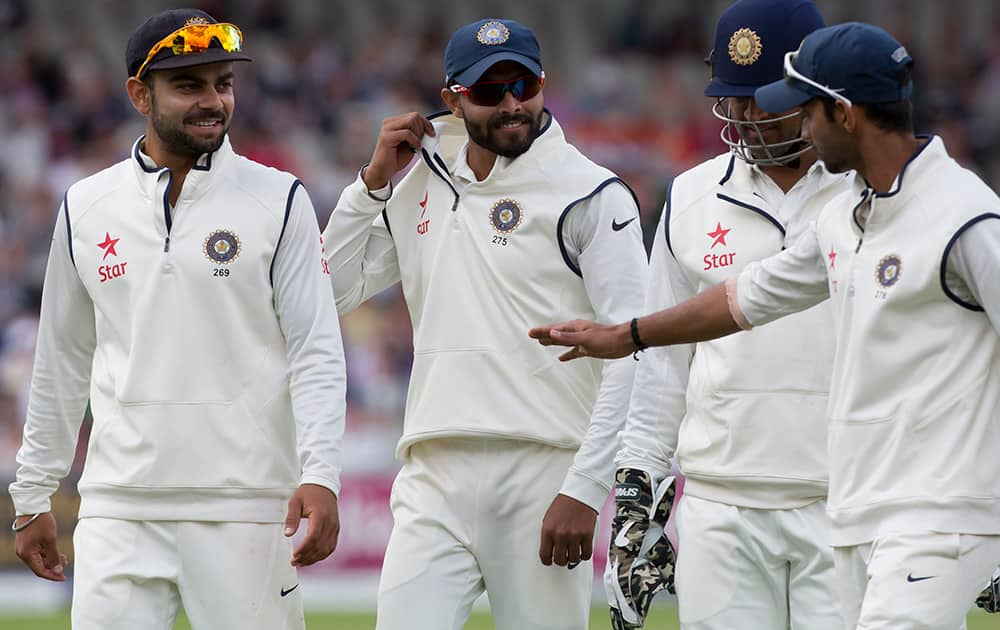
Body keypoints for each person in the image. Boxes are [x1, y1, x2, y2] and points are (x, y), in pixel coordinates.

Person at [531, 22, 1000, 630]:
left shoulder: (966, 218)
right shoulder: (852, 218)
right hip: (850, 511)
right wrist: (627, 337)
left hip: (928, 511)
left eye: (803, 109)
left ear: (844, 113)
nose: (795, 123)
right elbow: (746, 298)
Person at [8, 9, 347, 630]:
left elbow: (317, 350)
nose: (213, 101)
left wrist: (322, 473)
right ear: (140, 93)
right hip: (118, 507)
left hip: (246, 507)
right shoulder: (86, 205)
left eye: (223, 83)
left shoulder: (280, 199)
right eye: (189, 85)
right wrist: (33, 494)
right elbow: (61, 359)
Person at [323, 18, 648, 630]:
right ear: (452, 98)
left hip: (544, 470)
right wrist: (368, 187)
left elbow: (636, 349)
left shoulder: (591, 193)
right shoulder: (419, 176)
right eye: (488, 90)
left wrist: (585, 486)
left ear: (543, 83)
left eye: (522, 85)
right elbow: (331, 292)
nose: (510, 104)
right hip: (432, 470)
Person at [604, 1, 845, 629]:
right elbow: (663, 358)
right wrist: (637, 494)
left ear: (814, 92)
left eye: (764, 99)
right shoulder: (689, 193)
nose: (747, 117)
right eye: (734, 99)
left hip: (845, 504)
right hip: (720, 507)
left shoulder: (868, 192)